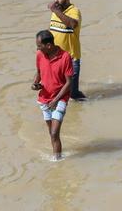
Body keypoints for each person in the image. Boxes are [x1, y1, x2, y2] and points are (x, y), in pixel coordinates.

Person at [32, 30, 74, 159]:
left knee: (55, 132)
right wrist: (35, 83)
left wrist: (56, 100)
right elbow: (38, 72)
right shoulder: (40, 55)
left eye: (39, 45)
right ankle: (56, 155)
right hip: (45, 98)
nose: (37, 48)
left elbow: (68, 83)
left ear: (49, 45)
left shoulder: (65, 57)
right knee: (52, 133)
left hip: (60, 98)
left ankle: (56, 161)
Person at [47, 0, 86, 101]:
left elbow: (72, 24)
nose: (55, 1)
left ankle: (87, 106)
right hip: (55, 58)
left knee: (73, 95)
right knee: (56, 91)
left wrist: (56, 11)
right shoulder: (56, 11)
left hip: (71, 59)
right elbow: (51, 30)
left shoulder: (74, 11)